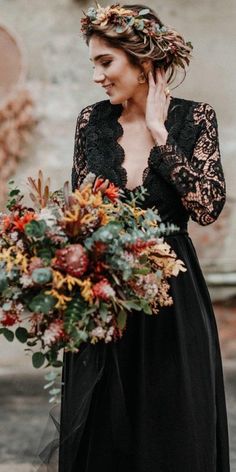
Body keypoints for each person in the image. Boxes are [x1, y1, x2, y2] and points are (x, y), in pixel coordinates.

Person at [59, 4, 230, 471]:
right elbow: (80, 216)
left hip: (173, 305)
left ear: (144, 63)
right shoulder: (90, 122)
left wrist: (159, 135)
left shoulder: (195, 119)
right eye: (94, 62)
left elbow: (207, 207)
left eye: (105, 62)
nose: (97, 76)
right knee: (104, 440)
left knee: (173, 435)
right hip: (105, 305)